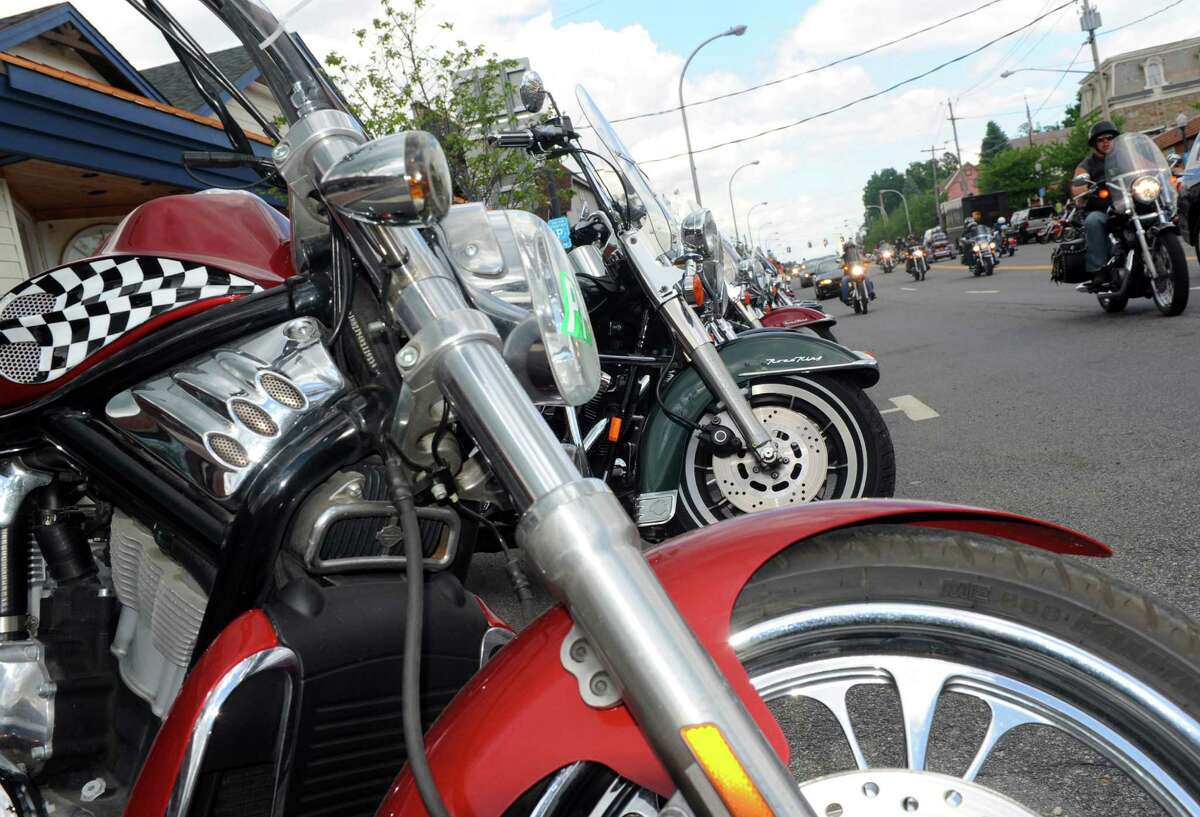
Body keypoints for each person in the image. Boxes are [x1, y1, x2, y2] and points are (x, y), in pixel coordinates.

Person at [1072, 120, 1119, 288]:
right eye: (1101, 139)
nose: (1106, 142)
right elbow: (1078, 183)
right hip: (1103, 209)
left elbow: (1146, 166)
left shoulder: (1123, 156)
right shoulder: (1087, 164)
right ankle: (1098, 269)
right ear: (1095, 144)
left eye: (1109, 137)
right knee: (1093, 221)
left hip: (1130, 204)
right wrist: (1080, 187)